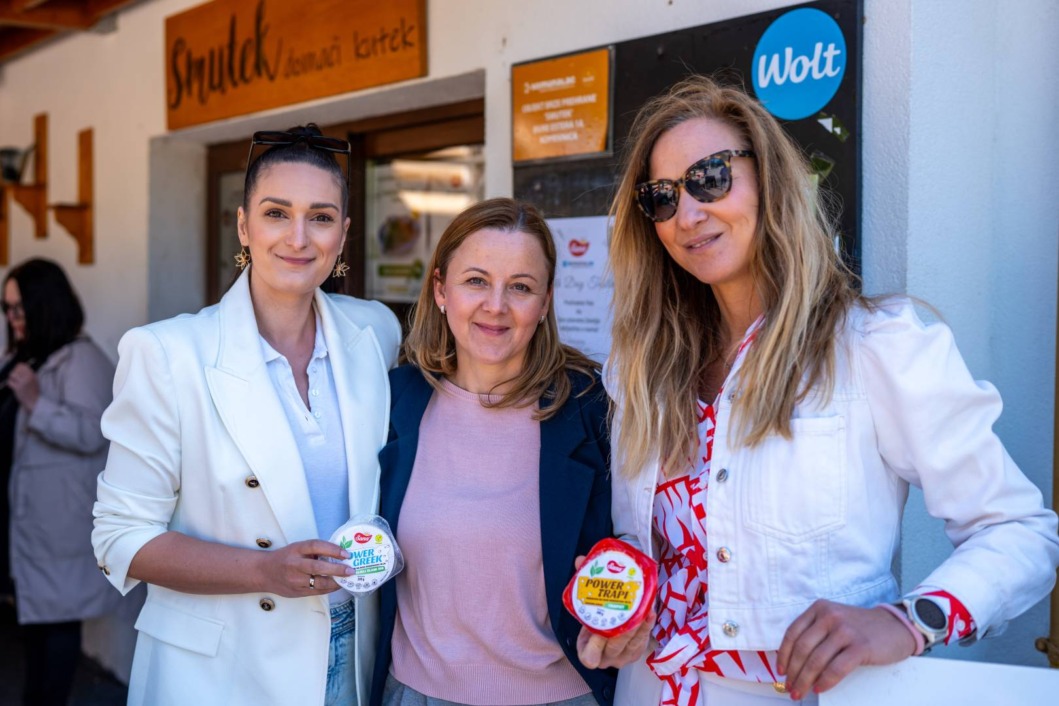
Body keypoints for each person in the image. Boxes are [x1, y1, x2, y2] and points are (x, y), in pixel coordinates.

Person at [592, 76, 1059, 705]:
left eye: (710, 178)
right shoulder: (643, 368)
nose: (688, 214)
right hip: (647, 690)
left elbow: (1020, 531)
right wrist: (616, 603)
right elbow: (646, 549)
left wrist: (909, 621)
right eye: (662, 197)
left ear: (770, 180)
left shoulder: (874, 346)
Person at [92, 125, 401, 706]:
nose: (298, 238)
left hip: (351, 649)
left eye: (321, 217)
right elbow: (120, 537)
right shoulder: (167, 354)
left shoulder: (375, 331)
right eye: (276, 213)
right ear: (243, 226)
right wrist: (263, 570)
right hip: (223, 668)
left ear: (343, 234)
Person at [370, 197, 626, 706]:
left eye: (521, 287)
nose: (496, 305)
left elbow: (640, 545)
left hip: (559, 697)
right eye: (476, 281)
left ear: (546, 302)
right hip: (414, 693)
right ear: (441, 289)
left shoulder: (592, 408)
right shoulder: (394, 400)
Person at [1, 258, 123, 706]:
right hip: (27, 521)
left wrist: (37, 403)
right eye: (7, 308)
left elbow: (94, 432)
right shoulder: (25, 357)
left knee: (55, 630)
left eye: (20, 308)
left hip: (58, 528)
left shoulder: (82, 360)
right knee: (35, 629)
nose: (13, 318)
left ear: (45, 305)